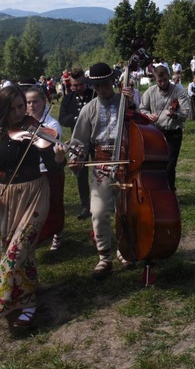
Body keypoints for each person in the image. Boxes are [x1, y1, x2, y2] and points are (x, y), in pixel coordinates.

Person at [0, 85, 66, 327]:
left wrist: (59, 157)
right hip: (3, 196)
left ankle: (20, 303)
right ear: (3, 109)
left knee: (18, 250)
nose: (20, 112)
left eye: (22, 106)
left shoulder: (37, 131)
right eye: (13, 108)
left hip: (34, 193)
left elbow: (54, 166)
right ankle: (18, 296)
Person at [69, 62, 136, 278]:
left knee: (126, 211)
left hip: (128, 161)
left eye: (105, 84)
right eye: (97, 86)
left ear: (112, 82)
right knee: (98, 212)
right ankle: (104, 258)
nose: (101, 89)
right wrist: (75, 158)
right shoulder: (89, 109)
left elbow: (141, 121)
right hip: (101, 163)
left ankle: (125, 251)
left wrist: (132, 104)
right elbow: (79, 140)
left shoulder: (125, 102)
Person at [26, 86, 66, 251]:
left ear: (44, 102)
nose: (31, 105)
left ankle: (57, 234)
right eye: (28, 102)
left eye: (35, 101)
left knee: (54, 203)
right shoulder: (23, 122)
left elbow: (54, 151)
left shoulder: (52, 125)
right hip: (31, 172)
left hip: (48, 170)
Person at [140, 65, 190, 191]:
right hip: (156, 132)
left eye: (165, 80)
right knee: (155, 163)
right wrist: (148, 115)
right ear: (155, 79)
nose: (162, 83)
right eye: (159, 81)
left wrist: (175, 114)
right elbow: (142, 109)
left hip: (173, 132)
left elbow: (185, 113)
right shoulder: (150, 91)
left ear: (168, 77)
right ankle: (157, 190)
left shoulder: (178, 91)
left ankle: (170, 191)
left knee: (170, 165)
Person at [58, 70, 94, 220]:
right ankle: (86, 204)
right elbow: (62, 118)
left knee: (101, 170)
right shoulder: (68, 99)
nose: (78, 87)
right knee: (81, 173)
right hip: (78, 138)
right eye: (75, 85)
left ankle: (104, 200)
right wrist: (77, 118)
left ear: (85, 82)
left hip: (96, 138)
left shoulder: (94, 95)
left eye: (80, 84)